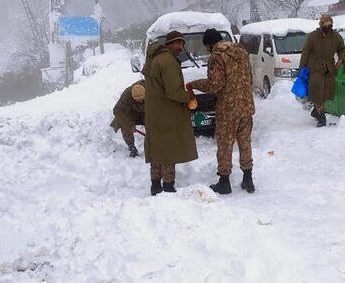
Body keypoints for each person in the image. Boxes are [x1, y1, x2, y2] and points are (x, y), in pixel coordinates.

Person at [188, 28, 256, 195]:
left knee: (225, 145)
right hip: (246, 106)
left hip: (227, 110)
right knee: (245, 143)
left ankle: (224, 182)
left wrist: (194, 84)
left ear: (210, 44)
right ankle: (248, 179)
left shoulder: (217, 56)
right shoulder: (241, 52)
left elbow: (215, 84)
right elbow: (250, 79)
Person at [141, 30, 198, 195]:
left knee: (157, 148)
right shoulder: (169, 61)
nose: (180, 46)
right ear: (168, 44)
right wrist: (189, 96)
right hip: (168, 111)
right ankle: (168, 185)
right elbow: (173, 91)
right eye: (177, 43)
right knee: (169, 149)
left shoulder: (154, 59)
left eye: (182, 43)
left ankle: (155, 184)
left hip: (154, 111)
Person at [299, 14, 345, 127]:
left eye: (329, 25)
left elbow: (342, 49)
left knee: (326, 93)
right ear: (321, 25)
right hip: (315, 67)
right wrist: (302, 69)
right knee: (317, 93)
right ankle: (321, 117)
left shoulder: (336, 37)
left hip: (329, 68)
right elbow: (305, 53)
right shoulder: (313, 36)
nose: (327, 27)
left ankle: (316, 112)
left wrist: (341, 59)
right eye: (325, 25)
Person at [109, 80, 145, 158]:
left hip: (147, 112)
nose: (140, 101)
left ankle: (155, 146)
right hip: (132, 113)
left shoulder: (153, 91)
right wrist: (129, 125)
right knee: (124, 125)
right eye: (138, 100)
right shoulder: (127, 94)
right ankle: (132, 147)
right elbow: (117, 110)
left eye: (142, 99)